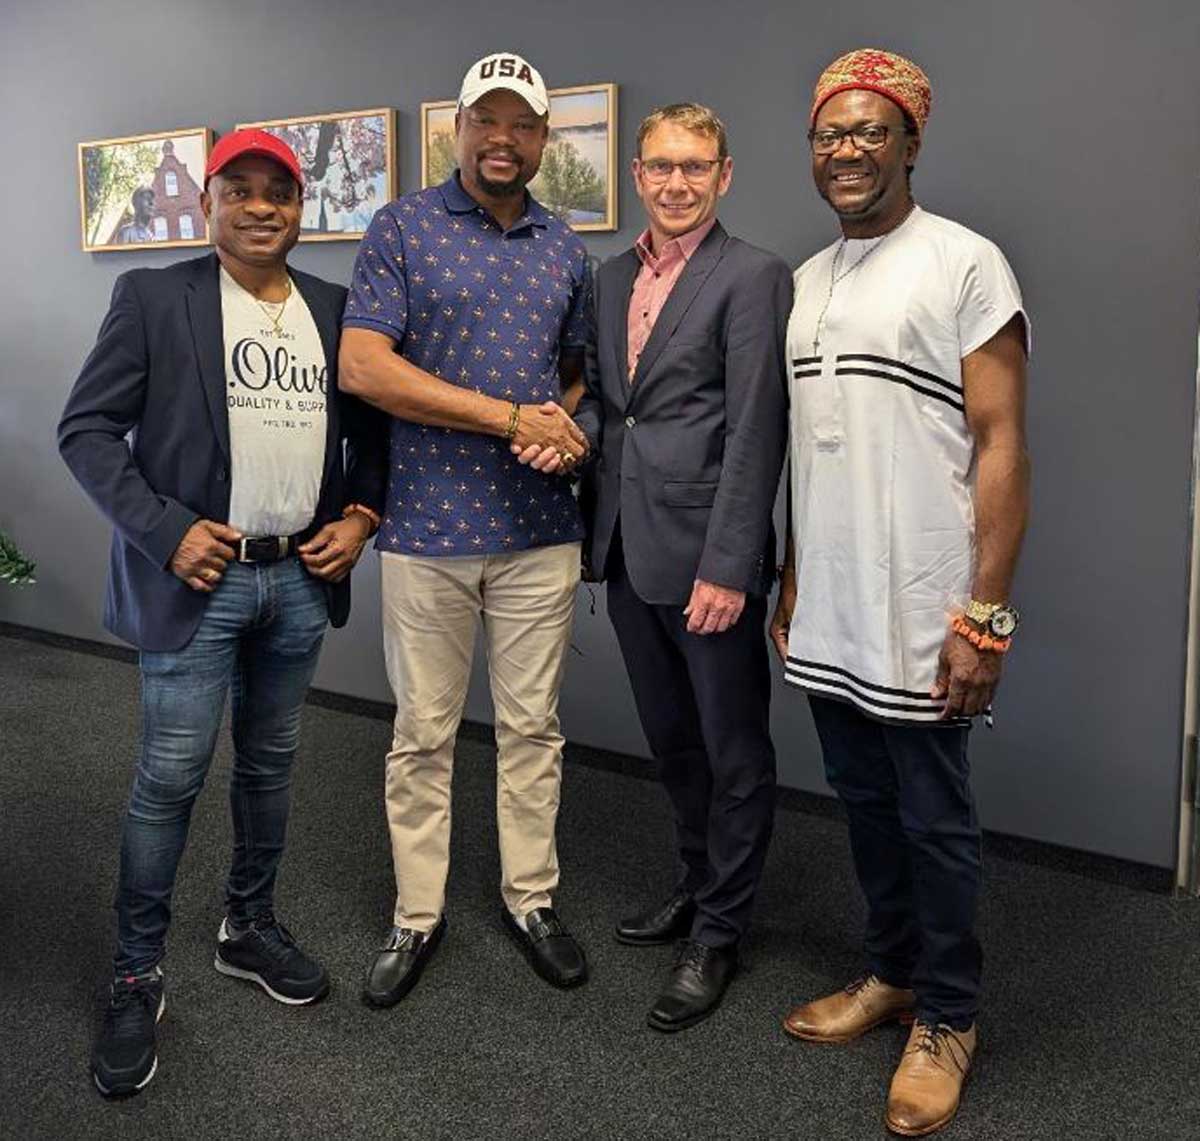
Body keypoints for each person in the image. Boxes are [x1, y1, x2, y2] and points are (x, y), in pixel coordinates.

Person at [59, 128, 387, 1097]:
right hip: (196, 581)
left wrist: (362, 514)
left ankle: (248, 927)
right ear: (208, 205)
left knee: (273, 765)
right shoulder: (157, 298)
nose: (259, 208)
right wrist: (165, 531)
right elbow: (85, 430)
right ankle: (135, 969)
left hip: (295, 580)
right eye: (237, 190)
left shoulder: (335, 309)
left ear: (302, 208)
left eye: (277, 193)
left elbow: (370, 441)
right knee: (169, 779)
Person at [773, 49, 1030, 1136]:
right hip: (831, 602)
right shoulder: (805, 280)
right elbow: (804, 448)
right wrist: (791, 577)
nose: (847, 150)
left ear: (912, 143)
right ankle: (891, 976)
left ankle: (952, 1016)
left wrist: (985, 613)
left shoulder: (969, 264)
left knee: (933, 818)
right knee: (864, 806)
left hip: (927, 602)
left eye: (871, 131)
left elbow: (1004, 442)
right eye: (831, 133)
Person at [527, 102, 790, 1031]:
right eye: (661, 167)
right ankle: (696, 881)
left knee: (734, 750)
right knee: (674, 745)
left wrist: (731, 566)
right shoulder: (608, 279)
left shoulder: (753, 276)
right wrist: (571, 435)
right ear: (637, 174)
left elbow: (758, 427)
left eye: (696, 167)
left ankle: (721, 931)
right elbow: (612, 405)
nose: (677, 183)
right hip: (628, 550)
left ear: (724, 175)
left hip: (708, 560)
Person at [338, 51, 593, 1006]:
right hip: (426, 528)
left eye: (521, 124)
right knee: (423, 733)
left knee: (533, 727)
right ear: (457, 128)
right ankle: (417, 913)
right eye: (485, 120)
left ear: (539, 139)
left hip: (539, 530)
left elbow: (574, 374)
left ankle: (531, 900)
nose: (502, 139)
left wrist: (558, 420)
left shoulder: (565, 248)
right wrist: (508, 416)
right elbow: (366, 365)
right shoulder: (401, 225)